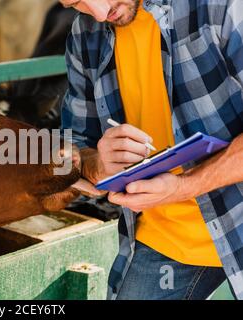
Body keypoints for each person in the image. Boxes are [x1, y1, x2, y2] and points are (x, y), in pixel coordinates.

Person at [59, 0, 243, 300]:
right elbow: (77, 144)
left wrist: (184, 187)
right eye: (75, 3)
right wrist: (98, 164)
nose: (98, 13)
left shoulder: (220, 6)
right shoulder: (84, 33)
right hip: (162, 239)